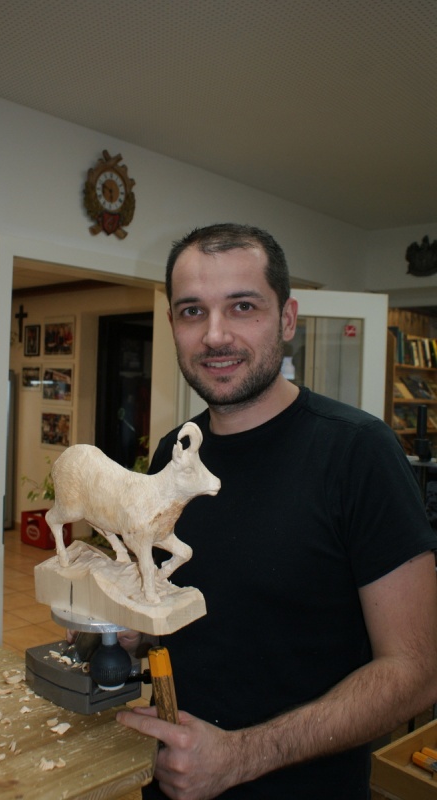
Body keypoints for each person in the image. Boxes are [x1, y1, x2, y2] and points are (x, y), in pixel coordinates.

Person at [114, 223, 437, 800]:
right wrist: (128, 627)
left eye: (243, 306)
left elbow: (416, 672)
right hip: (173, 782)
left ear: (287, 319)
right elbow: (197, 618)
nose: (215, 335)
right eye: (192, 311)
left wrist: (240, 757)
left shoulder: (358, 453)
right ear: (172, 324)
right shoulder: (175, 452)